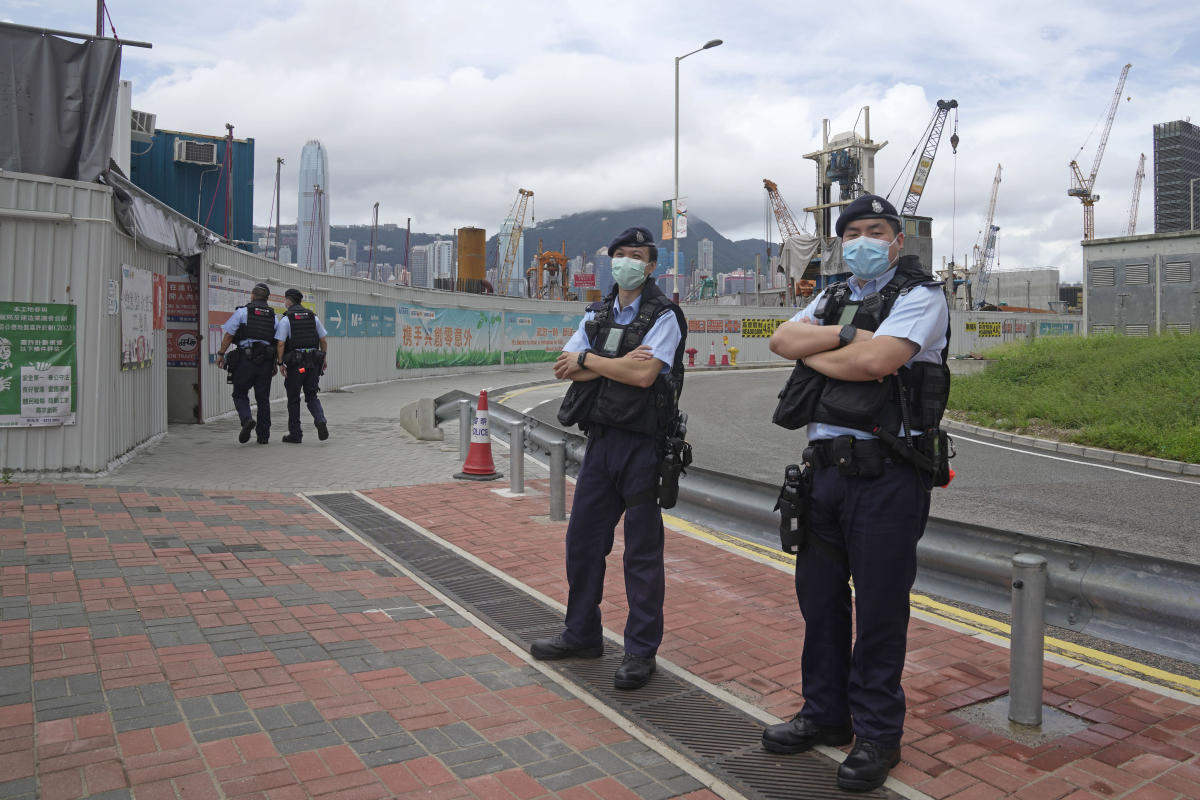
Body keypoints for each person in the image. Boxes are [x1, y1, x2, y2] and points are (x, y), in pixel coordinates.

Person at [764, 195, 950, 792]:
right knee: (819, 603)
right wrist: (844, 336)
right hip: (822, 471)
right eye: (853, 233)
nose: (863, 240)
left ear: (898, 241)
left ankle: (876, 735)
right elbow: (780, 341)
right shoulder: (835, 294)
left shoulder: (922, 295)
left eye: (876, 231)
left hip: (887, 473)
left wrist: (824, 349)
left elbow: (878, 362)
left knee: (878, 609)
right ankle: (823, 714)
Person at [530, 226, 687, 691]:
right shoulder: (597, 312)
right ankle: (581, 633)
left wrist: (592, 362)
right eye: (619, 254)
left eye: (636, 255)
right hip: (600, 443)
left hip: (643, 446)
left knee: (640, 554)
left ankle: (640, 652)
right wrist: (609, 362)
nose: (626, 262)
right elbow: (562, 364)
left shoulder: (666, 315)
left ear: (652, 265)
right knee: (582, 543)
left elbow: (644, 377)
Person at [215, 283, 278, 444]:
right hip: (265, 361)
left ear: (252, 296)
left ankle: (246, 419)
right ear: (267, 298)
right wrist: (277, 363)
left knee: (240, 393)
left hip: (245, 359)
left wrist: (221, 354)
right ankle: (263, 436)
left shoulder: (242, 312)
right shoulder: (273, 316)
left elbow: (229, 335)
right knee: (263, 399)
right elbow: (278, 341)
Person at [274, 288, 329, 444]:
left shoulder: (287, 319)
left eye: (285, 300)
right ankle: (320, 420)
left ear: (289, 301)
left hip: (296, 366)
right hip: (312, 364)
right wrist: (323, 359)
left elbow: (280, 343)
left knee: (293, 399)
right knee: (312, 396)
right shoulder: (313, 318)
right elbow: (323, 341)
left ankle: (295, 434)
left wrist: (280, 363)